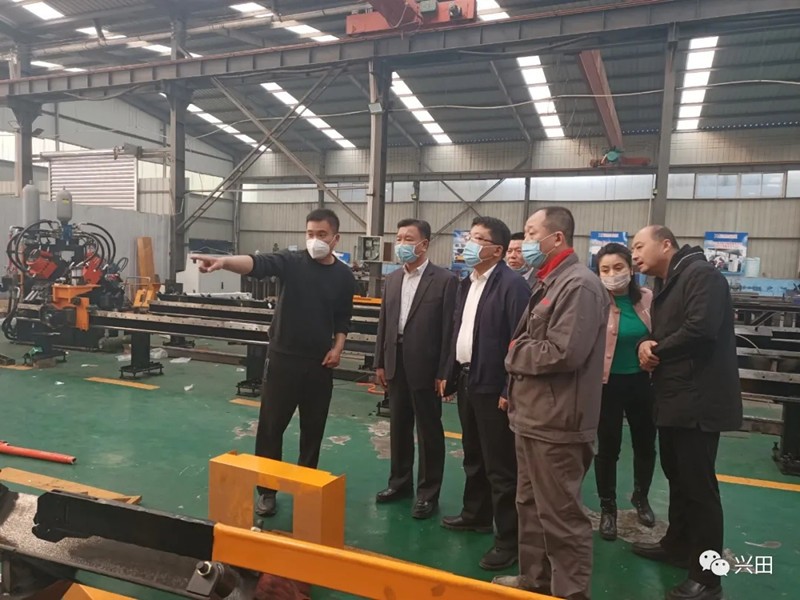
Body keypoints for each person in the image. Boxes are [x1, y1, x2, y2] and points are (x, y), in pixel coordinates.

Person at [191, 209, 355, 518]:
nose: (315, 240)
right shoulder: (292, 263)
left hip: (320, 364)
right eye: (310, 234)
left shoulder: (344, 277)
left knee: (313, 430)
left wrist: (338, 348)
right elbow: (258, 263)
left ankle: (306, 486)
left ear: (336, 238)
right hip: (283, 360)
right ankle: (267, 491)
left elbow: (343, 317)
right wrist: (225, 262)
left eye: (321, 235)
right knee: (271, 427)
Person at [494, 206, 609, 600]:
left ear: (556, 238)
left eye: (531, 233)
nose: (524, 241)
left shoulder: (579, 286)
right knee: (529, 505)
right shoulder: (548, 281)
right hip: (532, 416)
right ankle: (535, 581)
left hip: (558, 422)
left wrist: (513, 352)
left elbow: (563, 352)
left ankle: (569, 593)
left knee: (561, 516)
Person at [630, 226, 742, 600]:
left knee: (699, 488)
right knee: (677, 478)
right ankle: (678, 545)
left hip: (698, 401)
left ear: (666, 244)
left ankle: (708, 578)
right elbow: (666, 332)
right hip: (675, 399)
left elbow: (700, 329)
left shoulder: (701, 275)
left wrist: (654, 349)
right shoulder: (669, 282)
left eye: (639, 246)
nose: (634, 255)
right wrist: (647, 344)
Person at [441, 217, 530, 571]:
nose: (469, 244)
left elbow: (519, 340)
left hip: (494, 387)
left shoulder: (512, 286)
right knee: (474, 454)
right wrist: (449, 375)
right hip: (468, 379)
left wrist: (509, 387)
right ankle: (476, 514)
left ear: (497, 250)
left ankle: (508, 540)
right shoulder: (468, 283)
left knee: (501, 466)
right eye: (469, 236)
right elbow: (459, 331)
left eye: (478, 239)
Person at [374, 219, 457, 519]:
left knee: (429, 431)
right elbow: (384, 323)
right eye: (398, 238)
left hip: (427, 366)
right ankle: (399, 483)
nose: (401, 244)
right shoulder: (393, 279)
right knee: (398, 427)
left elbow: (449, 330)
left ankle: (428, 493)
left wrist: (445, 372)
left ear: (424, 244)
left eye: (408, 239)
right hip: (396, 363)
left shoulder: (445, 280)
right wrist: (380, 362)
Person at [593, 242, 656, 542]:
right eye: (605, 269)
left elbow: (661, 332)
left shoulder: (647, 298)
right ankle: (608, 509)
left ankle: (641, 498)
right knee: (608, 448)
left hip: (643, 382)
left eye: (618, 267)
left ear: (630, 269)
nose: (612, 274)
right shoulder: (594, 301)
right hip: (607, 385)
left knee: (645, 444)